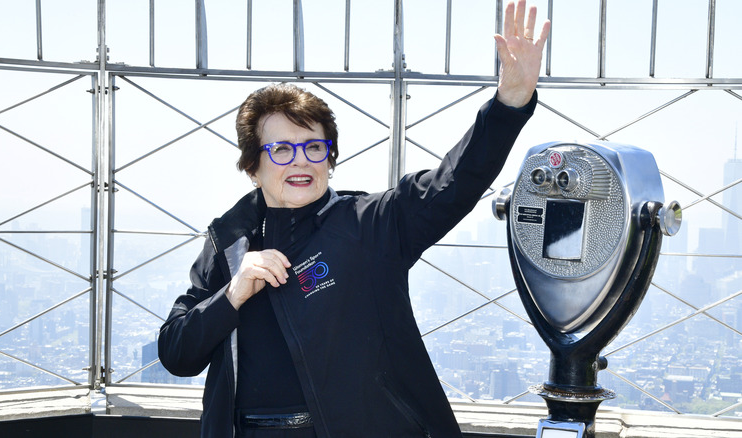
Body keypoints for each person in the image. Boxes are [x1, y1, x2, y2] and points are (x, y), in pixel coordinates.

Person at [158, 1, 550, 437]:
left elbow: (454, 183)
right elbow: (177, 353)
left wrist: (509, 103)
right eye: (282, 150)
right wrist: (231, 294)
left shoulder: (372, 224)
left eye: (314, 147)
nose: (300, 162)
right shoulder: (227, 241)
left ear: (330, 158)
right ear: (253, 166)